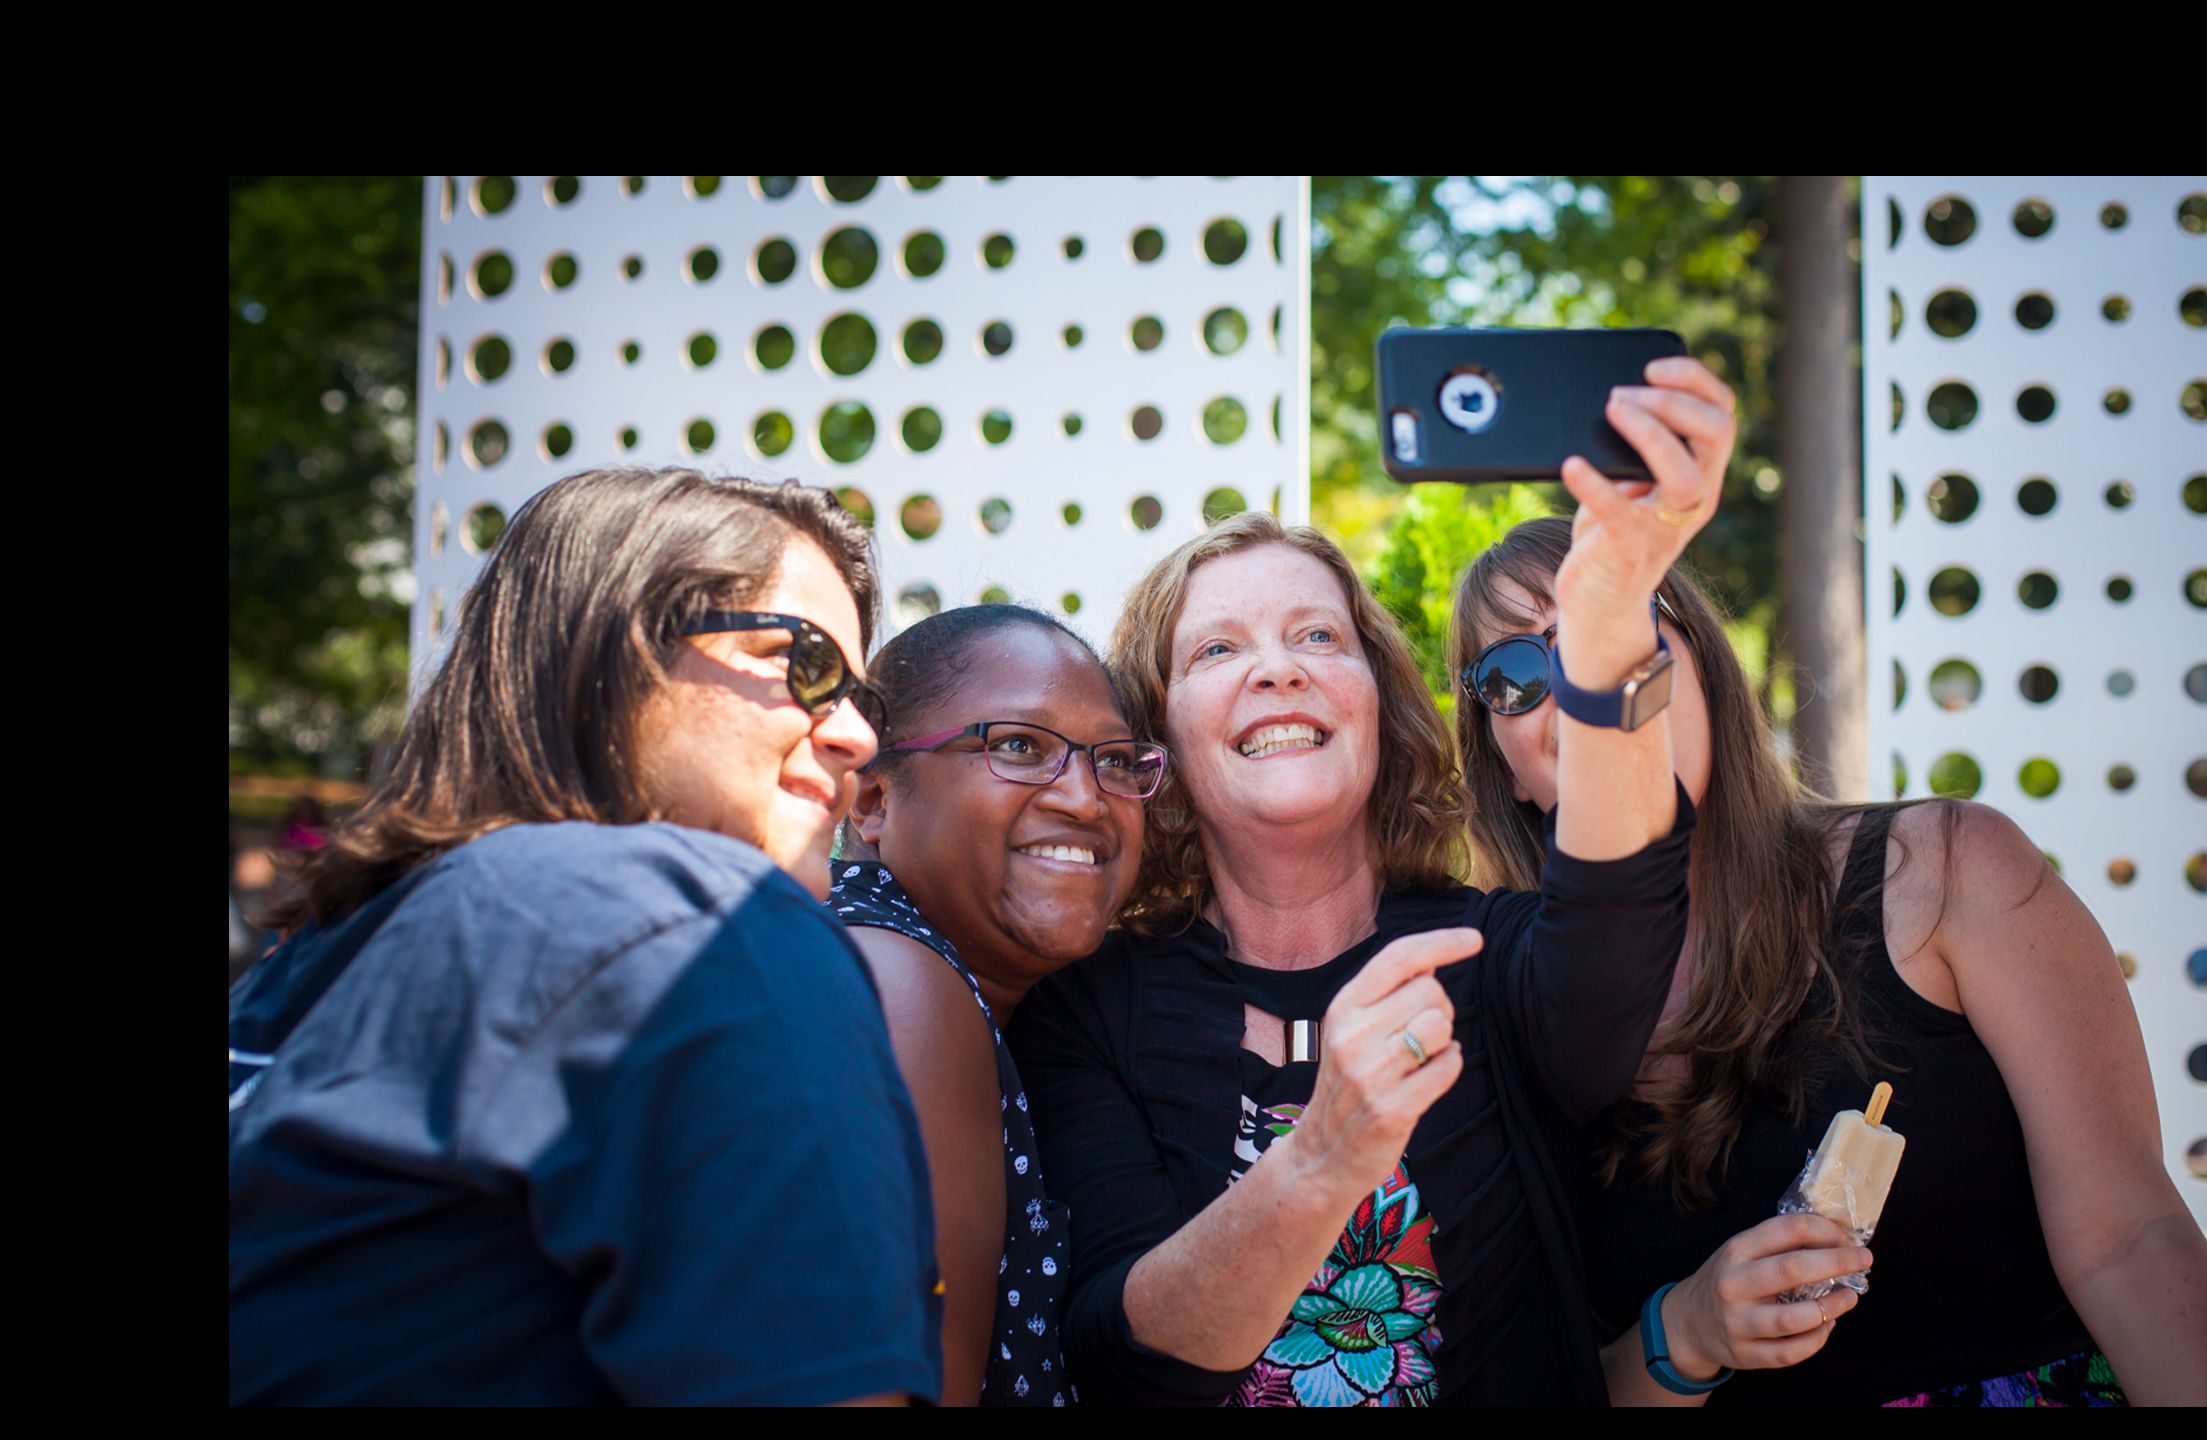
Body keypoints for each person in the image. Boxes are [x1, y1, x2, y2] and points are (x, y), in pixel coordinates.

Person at [1013, 357, 1869, 1406]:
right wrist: (1322, 1157)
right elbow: (1118, 1357)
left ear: (1377, 701)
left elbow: (1622, 880)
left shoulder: (1496, 959)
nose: (1277, 669)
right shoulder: (1085, 1007)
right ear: (1162, 743)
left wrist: (1606, 628)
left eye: (1317, 636)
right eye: (1216, 650)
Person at [1448, 511, 2207, 1405]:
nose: (1583, 684)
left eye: (1615, 635)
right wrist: (1682, 1334)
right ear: (1508, 769)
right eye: (1518, 673)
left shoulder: (1945, 871)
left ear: (1707, 669)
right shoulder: (1484, 999)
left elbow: (2130, 1240)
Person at [229, 466, 941, 1406]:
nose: (853, 734)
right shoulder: (694, 919)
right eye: (803, 662)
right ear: (615, 655)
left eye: (861, 696)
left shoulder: (318, 958)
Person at [832, 605, 1168, 1406]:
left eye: (1115, 761)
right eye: (1020, 746)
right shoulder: (902, 984)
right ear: (873, 801)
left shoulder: (988, 1001)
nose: (1086, 800)